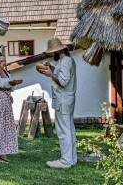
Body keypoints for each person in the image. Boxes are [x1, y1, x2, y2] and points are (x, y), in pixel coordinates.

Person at [38, 37, 77, 169]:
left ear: (58, 51)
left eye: (52, 53)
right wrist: (51, 68)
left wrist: (50, 74)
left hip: (63, 99)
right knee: (69, 129)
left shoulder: (66, 62)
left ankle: (65, 161)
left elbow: (63, 81)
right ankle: (72, 159)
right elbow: (60, 73)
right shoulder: (65, 61)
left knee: (63, 131)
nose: (51, 55)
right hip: (66, 99)